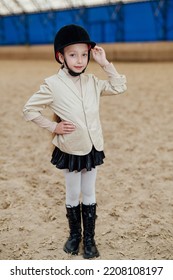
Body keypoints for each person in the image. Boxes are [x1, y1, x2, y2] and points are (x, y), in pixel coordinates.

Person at [23, 24, 127, 259]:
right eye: (73, 54)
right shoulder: (52, 84)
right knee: (73, 194)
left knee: (89, 194)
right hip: (70, 149)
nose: (80, 60)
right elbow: (29, 110)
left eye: (84, 54)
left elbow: (119, 87)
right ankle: (74, 236)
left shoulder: (92, 81)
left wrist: (105, 64)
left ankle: (89, 239)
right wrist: (54, 127)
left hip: (92, 147)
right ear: (61, 56)